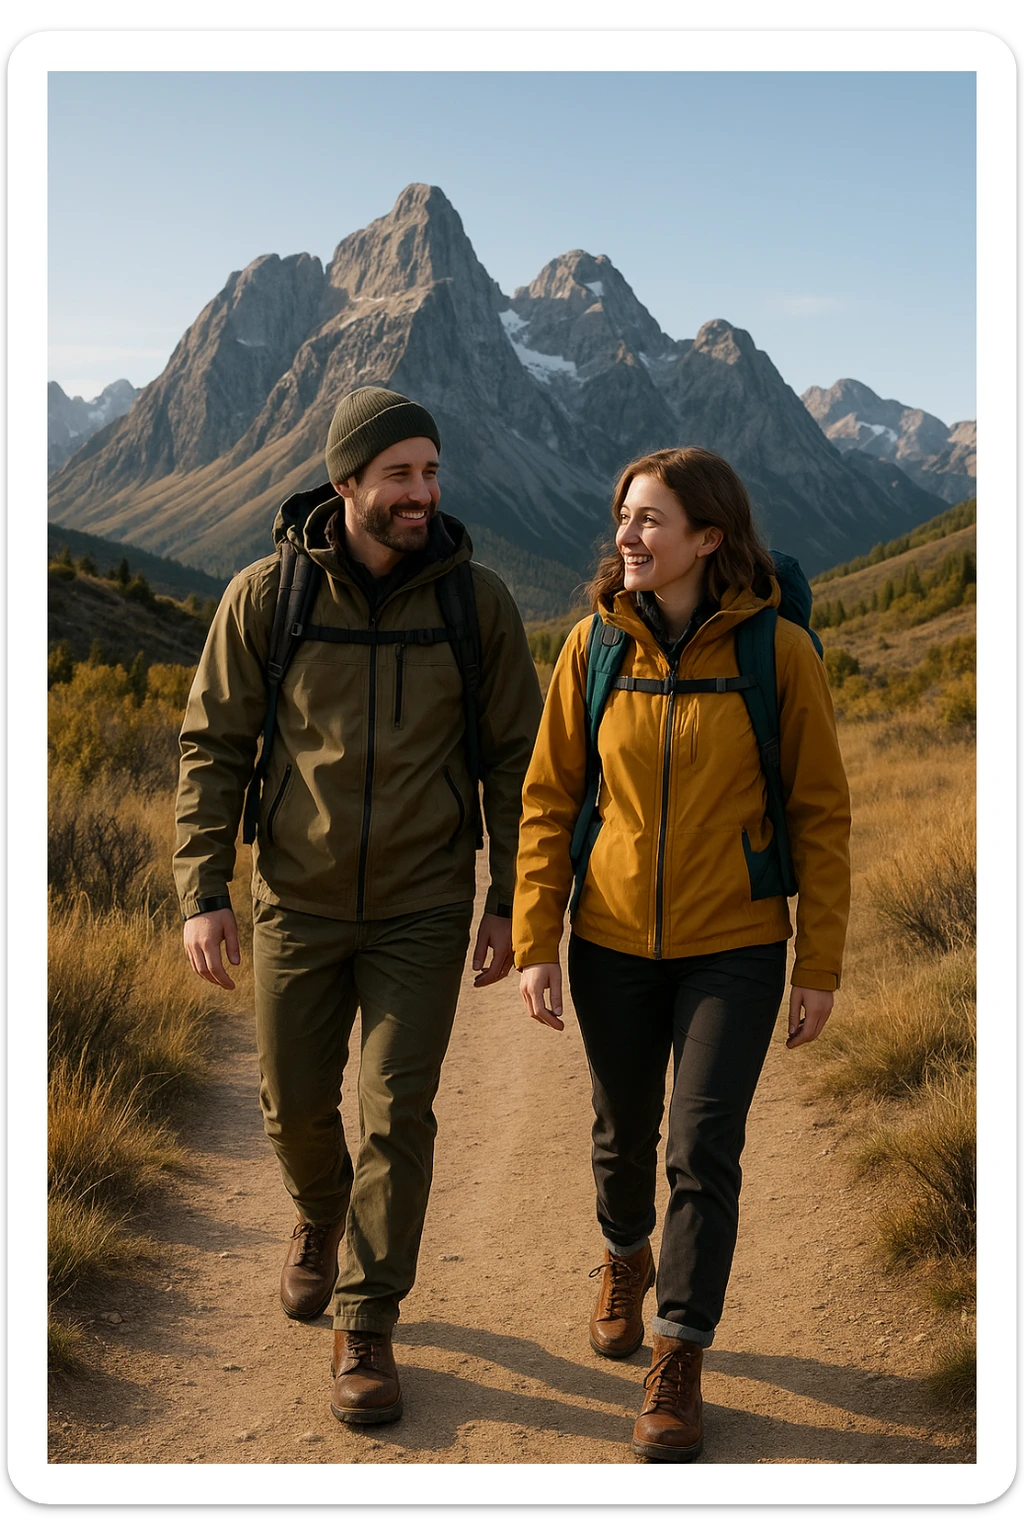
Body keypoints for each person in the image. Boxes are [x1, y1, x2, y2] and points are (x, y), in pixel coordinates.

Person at [174, 386, 543, 1426]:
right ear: (347, 485)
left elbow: (517, 765)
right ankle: (318, 1214)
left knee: (396, 1110)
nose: (422, 493)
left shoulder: (477, 605)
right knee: (293, 1107)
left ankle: (367, 1322)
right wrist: (205, 892)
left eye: (431, 471)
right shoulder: (267, 596)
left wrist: (510, 902)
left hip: (424, 905)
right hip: (295, 898)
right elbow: (213, 750)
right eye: (400, 475)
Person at [513, 446, 851, 1462]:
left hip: (735, 947)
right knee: (622, 1133)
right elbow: (547, 802)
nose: (628, 535)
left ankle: (679, 1352)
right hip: (611, 939)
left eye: (651, 520)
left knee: (701, 1151)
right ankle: (624, 1257)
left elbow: (820, 814)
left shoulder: (776, 653)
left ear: (710, 537)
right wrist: (537, 937)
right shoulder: (590, 648)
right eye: (623, 516)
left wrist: (818, 962)